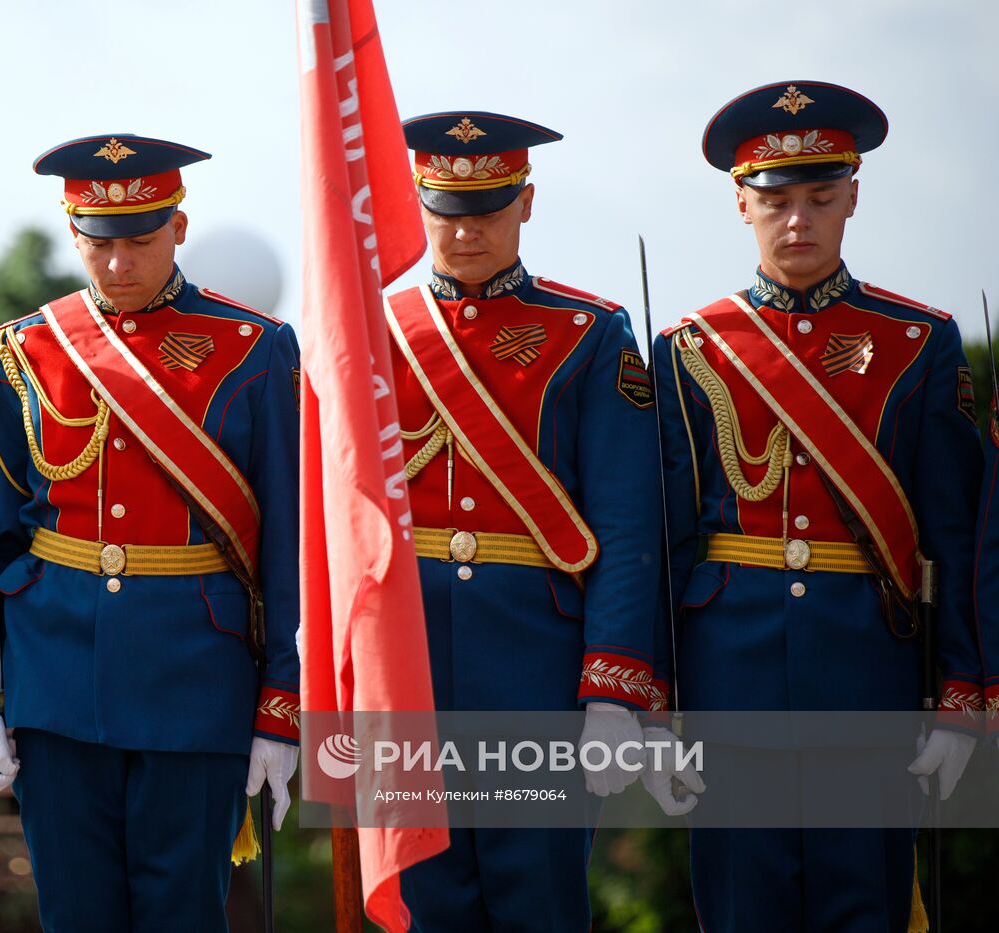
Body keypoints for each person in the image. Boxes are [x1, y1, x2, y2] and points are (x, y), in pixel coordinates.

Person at [654, 81, 984, 932]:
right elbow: (663, 540)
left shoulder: (918, 340)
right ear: (741, 203)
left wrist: (961, 697)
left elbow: (954, 533)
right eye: (775, 199)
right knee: (740, 911)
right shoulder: (691, 349)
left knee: (861, 907)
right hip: (728, 680)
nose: (797, 220)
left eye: (820, 198)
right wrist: (652, 704)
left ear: (853, 199)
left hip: (866, 677)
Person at [0, 134, 300, 932]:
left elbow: (287, 542)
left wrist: (282, 700)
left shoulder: (254, 349)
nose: (116, 264)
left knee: (184, 913)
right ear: (73, 233)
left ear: (179, 227)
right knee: (74, 914)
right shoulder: (18, 351)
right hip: (56, 678)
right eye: (99, 243)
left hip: (197, 681)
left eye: (140, 240)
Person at [387, 111, 680, 932]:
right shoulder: (375, 337)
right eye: (446, 206)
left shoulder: (588, 333)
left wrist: (614, 686)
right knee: (422, 907)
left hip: (539, 675)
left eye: (488, 205)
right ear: (419, 204)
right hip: (407, 678)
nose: (466, 227)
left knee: (538, 906)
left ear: (526, 202)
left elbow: (627, 524)